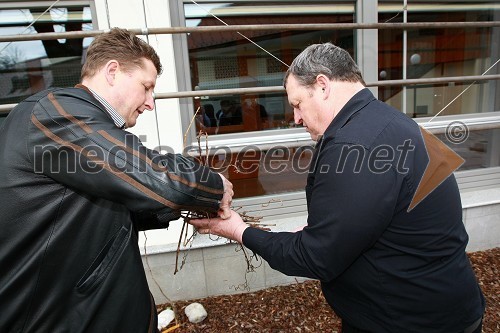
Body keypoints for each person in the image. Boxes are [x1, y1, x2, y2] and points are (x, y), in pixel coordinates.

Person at [188, 43, 485, 332]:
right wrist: (322, 233)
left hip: (409, 320)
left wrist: (238, 230)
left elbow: (316, 258)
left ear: (322, 85)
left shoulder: (354, 145)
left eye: (297, 104)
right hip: (443, 305)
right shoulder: (392, 121)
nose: (296, 119)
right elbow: (381, 222)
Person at [0, 28, 233, 332]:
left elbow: (90, 212)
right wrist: (213, 186)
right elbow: (160, 178)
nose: (151, 102)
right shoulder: (54, 115)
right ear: (112, 71)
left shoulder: (76, 121)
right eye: (146, 87)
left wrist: (178, 210)